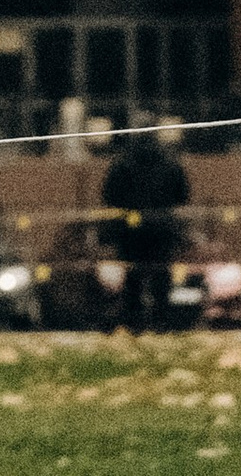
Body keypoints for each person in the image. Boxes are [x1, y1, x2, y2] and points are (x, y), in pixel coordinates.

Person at [101, 119, 193, 332]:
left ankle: (134, 323)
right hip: (161, 227)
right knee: (161, 275)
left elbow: (109, 195)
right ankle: (162, 321)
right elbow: (182, 195)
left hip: (130, 229)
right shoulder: (169, 162)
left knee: (133, 276)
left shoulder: (122, 162)